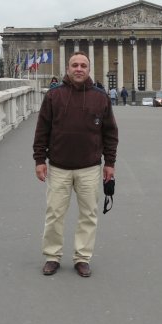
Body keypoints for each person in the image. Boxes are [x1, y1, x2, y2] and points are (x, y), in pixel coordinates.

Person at [33, 52, 118, 278]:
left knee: (88, 215)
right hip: (59, 166)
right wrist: (39, 160)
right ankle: (52, 256)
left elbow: (110, 133)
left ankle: (82, 257)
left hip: (90, 167)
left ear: (89, 70)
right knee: (54, 214)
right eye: (75, 65)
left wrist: (110, 163)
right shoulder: (54, 96)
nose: (79, 69)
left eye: (83, 65)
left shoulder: (100, 97)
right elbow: (42, 130)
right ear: (68, 69)